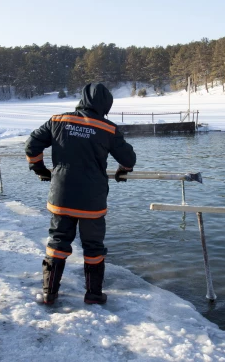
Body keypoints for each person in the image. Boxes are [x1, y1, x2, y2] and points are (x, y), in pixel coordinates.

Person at [25, 82, 136, 305]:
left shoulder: (58, 120)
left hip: (62, 195)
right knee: (93, 246)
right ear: (106, 105)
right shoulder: (108, 129)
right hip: (92, 200)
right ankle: (94, 294)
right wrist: (122, 172)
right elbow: (128, 159)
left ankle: (49, 293)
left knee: (57, 242)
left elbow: (32, 146)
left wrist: (40, 168)